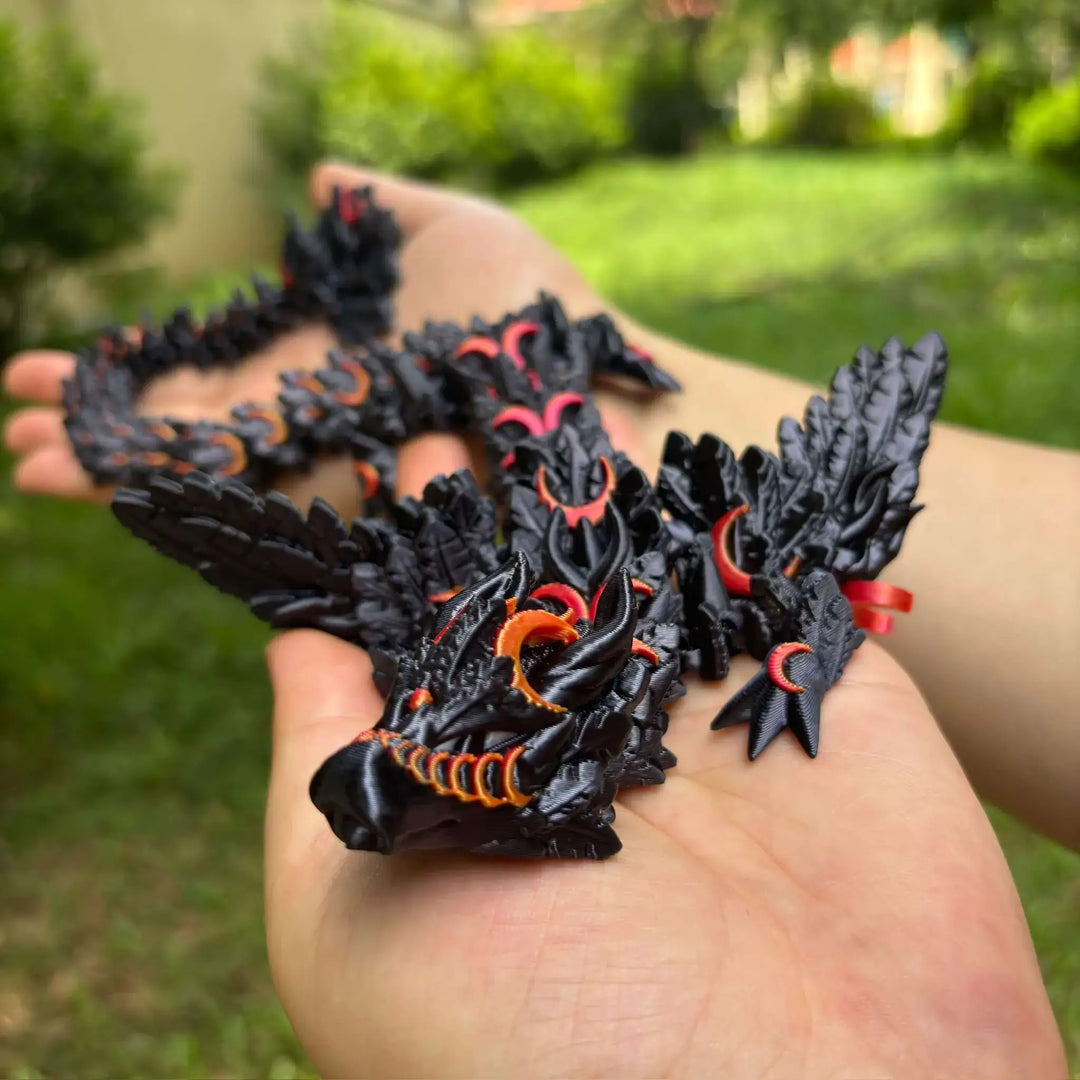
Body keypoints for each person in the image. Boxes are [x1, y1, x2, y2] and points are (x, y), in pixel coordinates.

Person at [3, 162, 1073, 1075]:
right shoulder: (526, 633)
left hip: (530, 386)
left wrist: (800, 660)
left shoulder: (666, 597)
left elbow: (799, 593)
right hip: (472, 389)